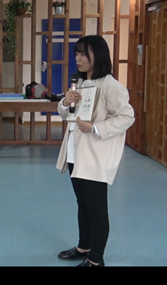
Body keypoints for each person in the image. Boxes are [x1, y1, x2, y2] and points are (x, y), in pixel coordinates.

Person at [56, 35, 135, 267]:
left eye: (83, 54)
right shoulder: (80, 83)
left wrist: (96, 128)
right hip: (75, 154)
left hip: (95, 156)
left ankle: (96, 260)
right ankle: (84, 246)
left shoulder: (111, 86)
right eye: (77, 54)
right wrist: (64, 102)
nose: (78, 59)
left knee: (98, 210)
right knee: (83, 204)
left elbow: (127, 116)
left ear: (97, 55)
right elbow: (67, 114)